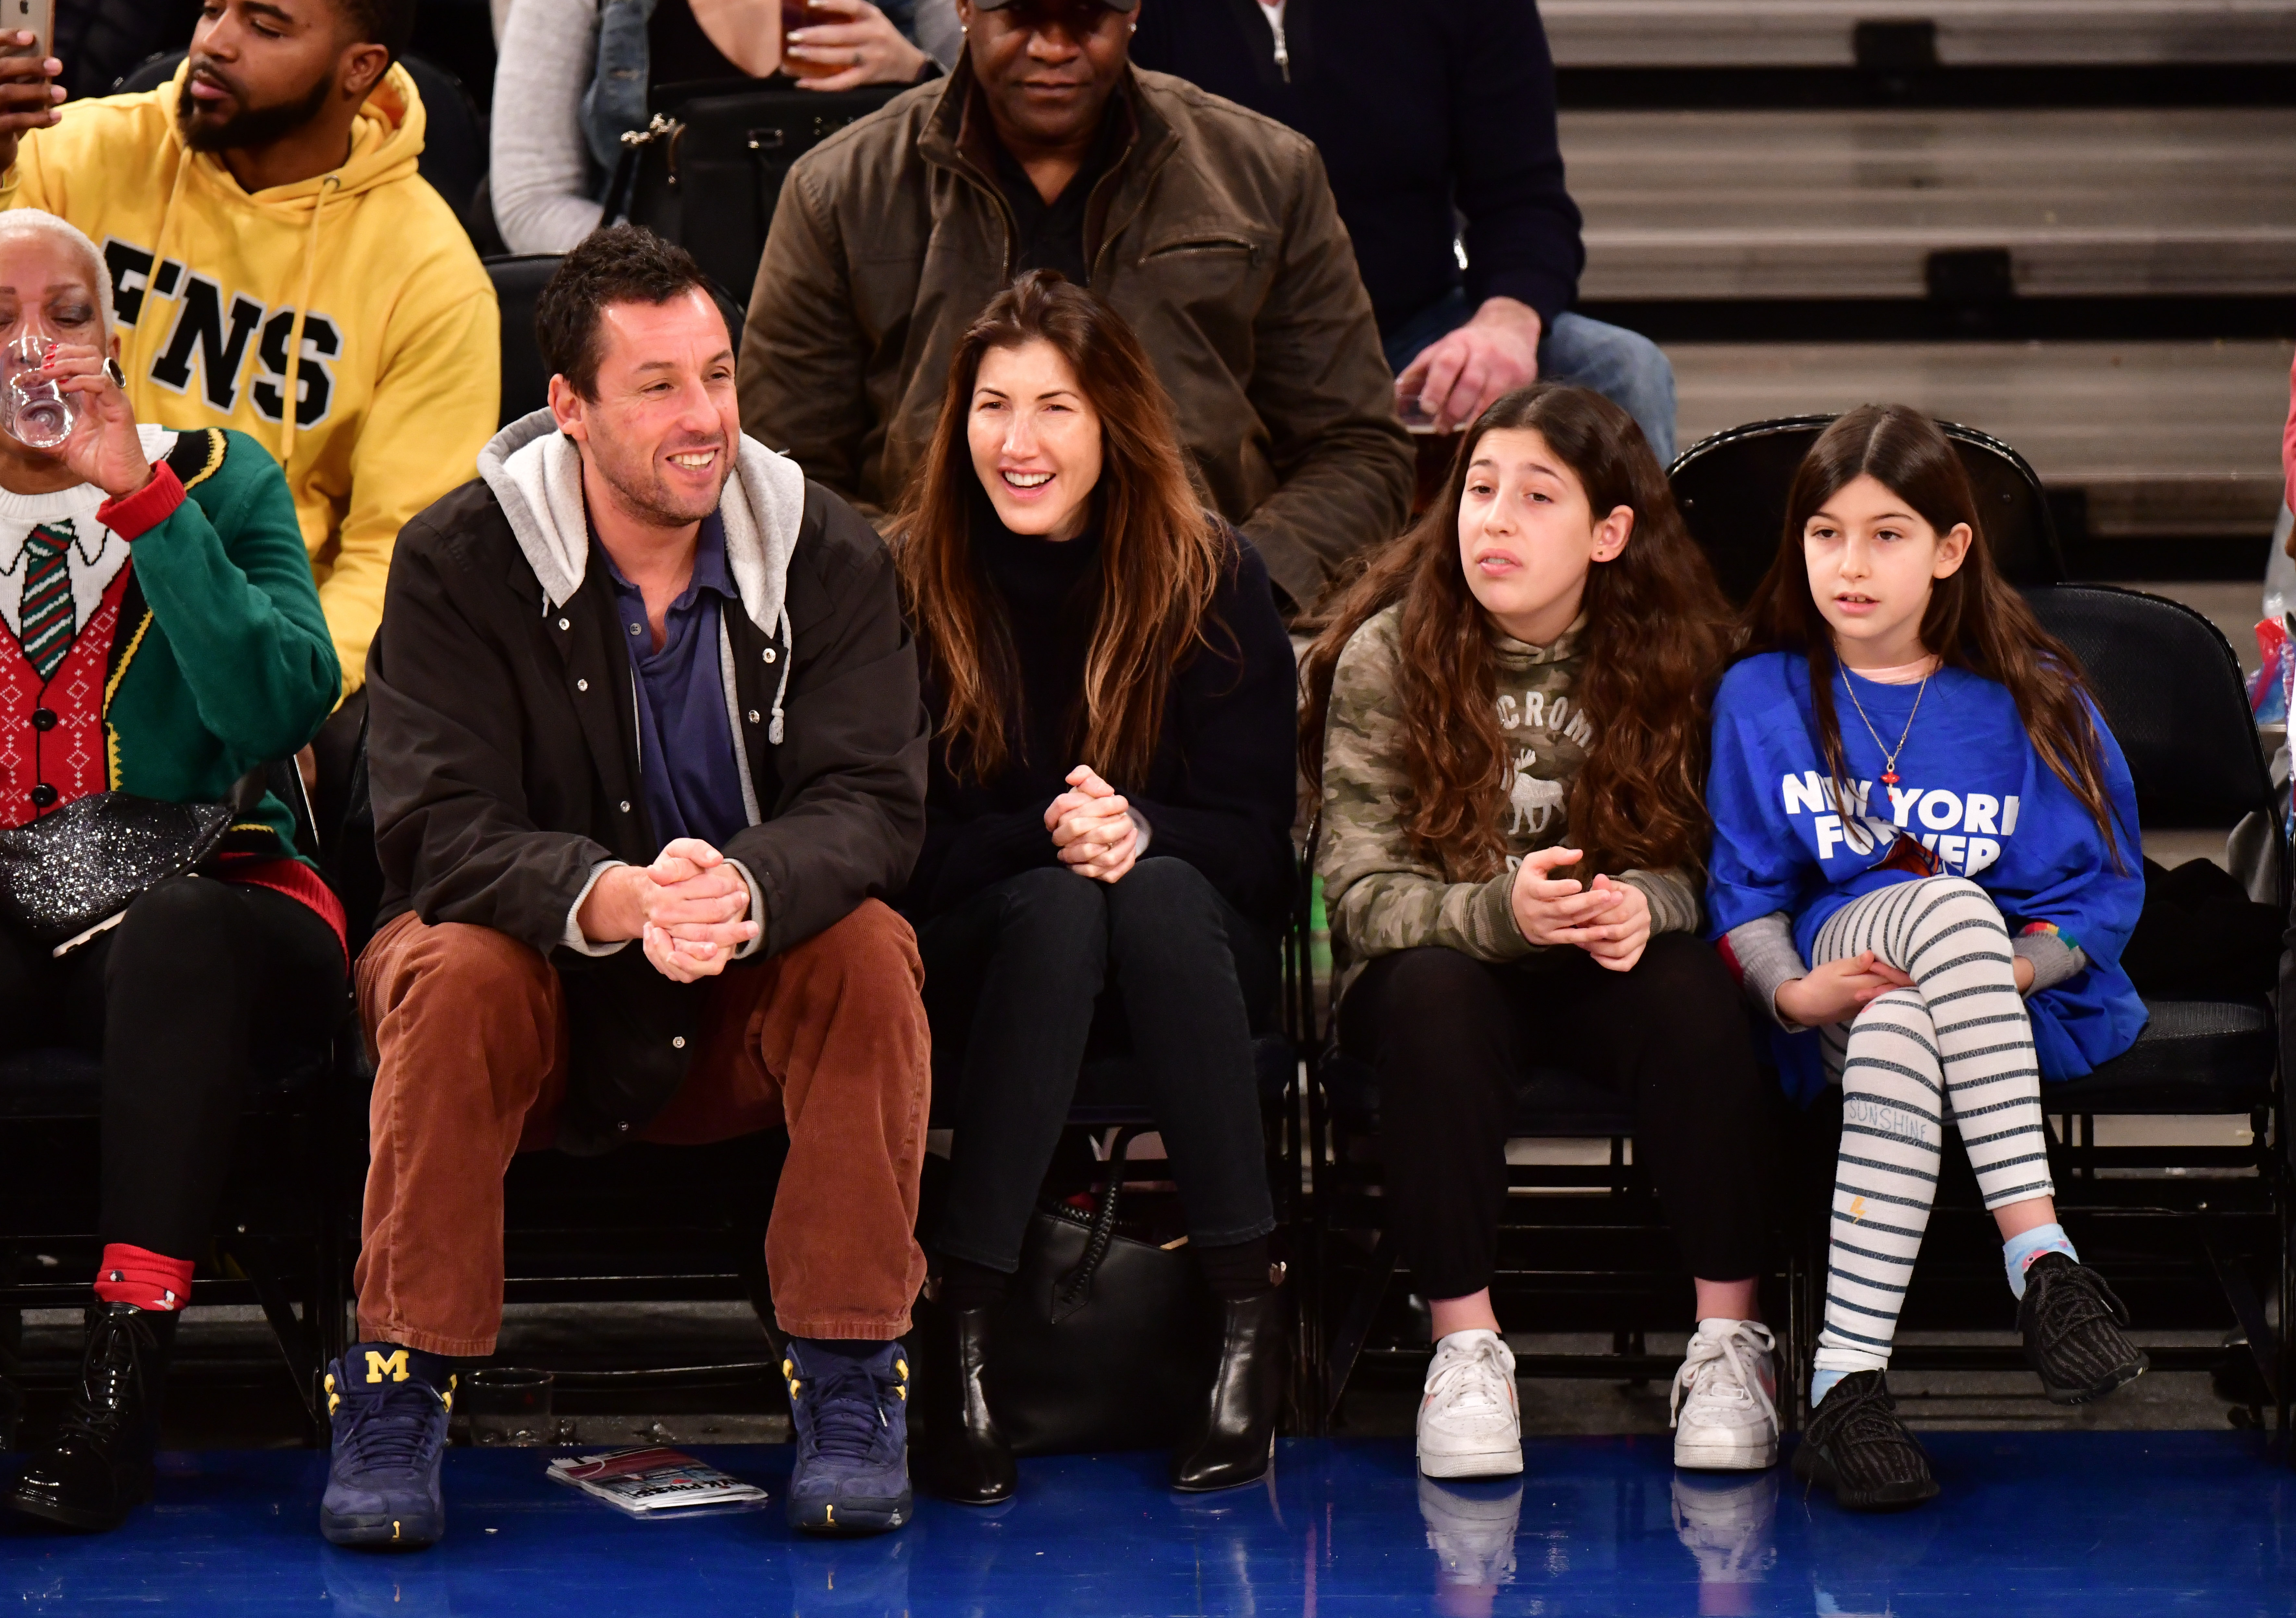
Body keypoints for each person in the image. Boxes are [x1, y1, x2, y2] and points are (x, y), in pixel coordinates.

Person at [336, 227, 930, 1548]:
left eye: (717, 376)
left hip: (733, 980)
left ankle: (849, 1377)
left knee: (869, 952)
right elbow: (435, 827)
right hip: (531, 991)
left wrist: (738, 883)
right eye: (657, 385)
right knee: (451, 964)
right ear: (570, 407)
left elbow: (874, 804)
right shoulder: (455, 561)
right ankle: (395, 1386)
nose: (703, 417)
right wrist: (612, 896)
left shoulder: (829, 552)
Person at [1302, 383, 1779, 1482]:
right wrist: (1497, 912)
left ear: (1609, 532)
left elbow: (1724, 867)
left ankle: (1725, 1339)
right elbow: (1358, 893)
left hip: (1601, 969)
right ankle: (1463, 1346)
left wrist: (1639, 903)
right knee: (1428, 998)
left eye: (1534, 495)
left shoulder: (1689, 661)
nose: (1493, 519)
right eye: (1477, 489)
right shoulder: (1389, 653)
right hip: (1446, 971)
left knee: (1694, 993)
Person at [891, 271, 1296, 1501]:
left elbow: (1262, 858)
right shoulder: (905, 579)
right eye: (992, 407)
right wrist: (1051, 836)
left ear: (1114, 421)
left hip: (1176, 966)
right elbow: (894, 850)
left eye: (1056, 408)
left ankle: (1244, 1324)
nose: (1019, 443)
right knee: (1067, 902)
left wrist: (1141, 827)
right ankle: (960, 1328)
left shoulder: (1209, 573)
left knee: (1160, 891)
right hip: (985, 958)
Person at [1705, 404, 2150, 1511]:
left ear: (1950, 548)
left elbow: (2096, 892)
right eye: (1824, 534)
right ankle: (2042, 1258)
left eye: (1887, 534)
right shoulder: (1758, 691)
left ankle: (1845, 1387)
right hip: (1828, 972)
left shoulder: (2029, 694)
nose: (1849, 565)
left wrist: (2001, 975)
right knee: (1935, 900)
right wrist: (1790, 990)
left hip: (1971, 1003)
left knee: (1926, 978)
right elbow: (1743, 889)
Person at [0, 209, 343, 1533]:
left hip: (218, 918)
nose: (33, 343)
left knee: (183, 928)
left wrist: (139, 496)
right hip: (19, 923)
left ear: (114, 339)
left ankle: (117, 1388)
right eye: (2, 315)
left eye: (67, 312)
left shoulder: (219, 477)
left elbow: (277, 708)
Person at [739, 0, 1414, 617]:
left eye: (1086, 18)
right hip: (923, 638)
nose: (1055, 48)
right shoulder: (838, 191)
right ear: (965, 9)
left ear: (1134, 13)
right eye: (1024, 16)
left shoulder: (1267, 174)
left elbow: (1357, 449)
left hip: (1205, 636)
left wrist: (1237, 585)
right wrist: (917, 585)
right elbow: (778, 467)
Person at [0, 0, 500, 706]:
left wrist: (292, 688)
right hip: (31, 589)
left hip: (241, 638)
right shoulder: (70, 149)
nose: (214, 43)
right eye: (212, 10)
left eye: (265, 28)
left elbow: (397, 554)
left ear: (360, 69)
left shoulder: (433, 280)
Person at [1125, 0, 1676, 460]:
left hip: (1412, 332)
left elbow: (1522, 199)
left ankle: (1645, 590)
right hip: (1214, 341)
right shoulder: (1131, 17)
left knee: (1620, 368)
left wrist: (1505, 327)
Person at [490, 0, 939, 256]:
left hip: (878, 298)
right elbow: (531, 198)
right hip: (660, 317)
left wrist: (923, 78)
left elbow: (997, 146)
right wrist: (670, 279)